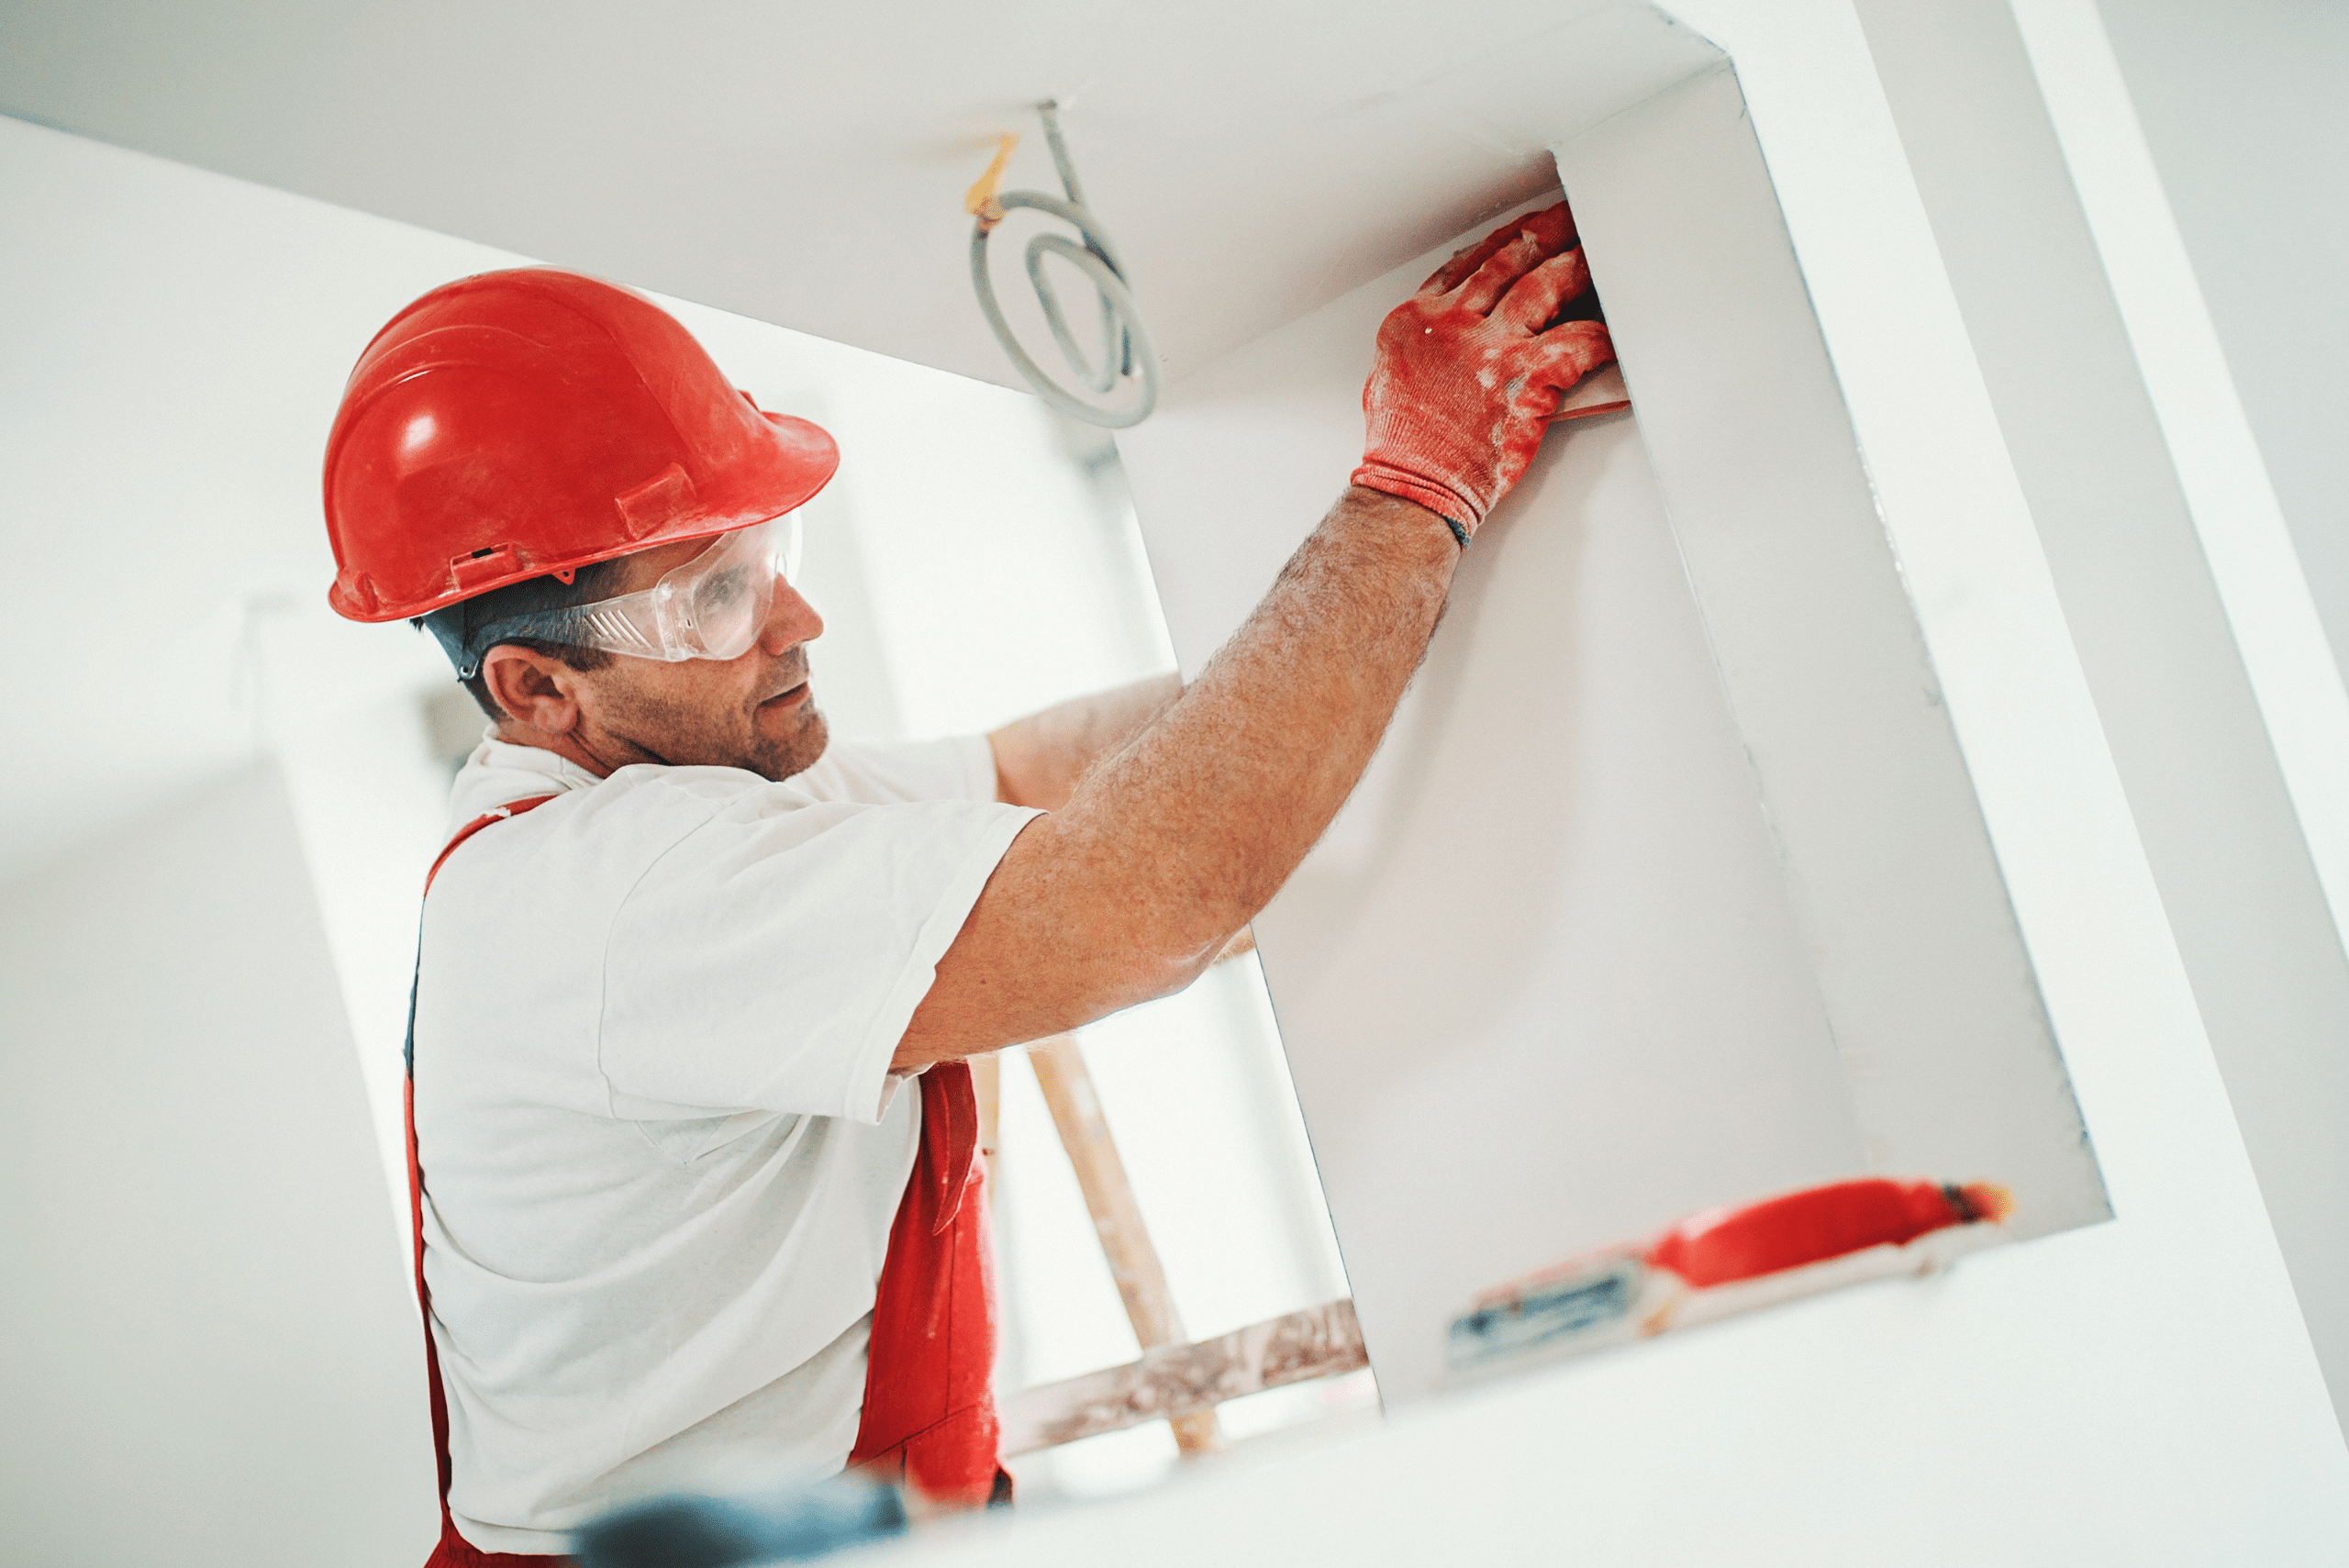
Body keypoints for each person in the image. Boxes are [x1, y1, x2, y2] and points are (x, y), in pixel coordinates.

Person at [320, 202, 1613, 1564]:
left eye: (773, 560)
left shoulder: (686, 797)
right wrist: (1415, 495)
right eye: (713, 600)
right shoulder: (617, 897)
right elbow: (1147, 901)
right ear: (538, 689)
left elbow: (1032, 769)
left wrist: (1374, 610)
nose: (795, 624)